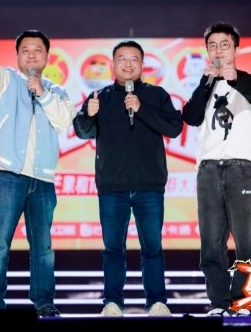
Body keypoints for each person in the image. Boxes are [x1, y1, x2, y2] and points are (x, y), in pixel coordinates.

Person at [72, 40, 184, 317]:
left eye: (134, 59)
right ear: (113, 64)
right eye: (122, 58)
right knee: (113, 249)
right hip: (112, 187)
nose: (128, 64)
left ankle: (157, 302)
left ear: (143, 64)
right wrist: (88, 114)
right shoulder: (100, 96)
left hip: (149, 186)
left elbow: (174, 127)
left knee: (152, 248)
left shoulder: (156, 95)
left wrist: (141, 108)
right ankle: (112, 303)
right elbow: (83, 131)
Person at [0, 29, 76, 318]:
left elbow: (64, 121)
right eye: (26, 50)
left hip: (42, 179)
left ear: (47, 56)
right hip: (6, 174)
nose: (32, 55)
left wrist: (42, 93)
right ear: (17, 55)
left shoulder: (57, 91)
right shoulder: (7, 80)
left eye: (37, 50)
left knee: (43, 247)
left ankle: (44, 302)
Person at [181, 21, 251, 317]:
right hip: (208, 170)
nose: (218, 51)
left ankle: (241, 302)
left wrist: (233, 76)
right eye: (212, 46)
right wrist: (206, 82)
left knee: (246, 242)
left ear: (236, 49)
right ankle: (218, 302)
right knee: (211, 244)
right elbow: (190, 117)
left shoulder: (249, 81)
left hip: (241, 168)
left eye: (224, 45)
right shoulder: (204, 86)